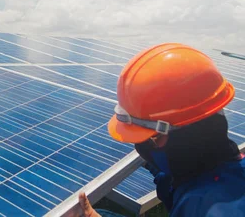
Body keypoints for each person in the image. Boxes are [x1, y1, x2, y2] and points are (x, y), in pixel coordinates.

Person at [76, 43, 245, 217]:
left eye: (153, 138)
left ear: (192, 138)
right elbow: (177, 171)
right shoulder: (217, 169)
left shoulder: (207, 209)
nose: (144, 148)